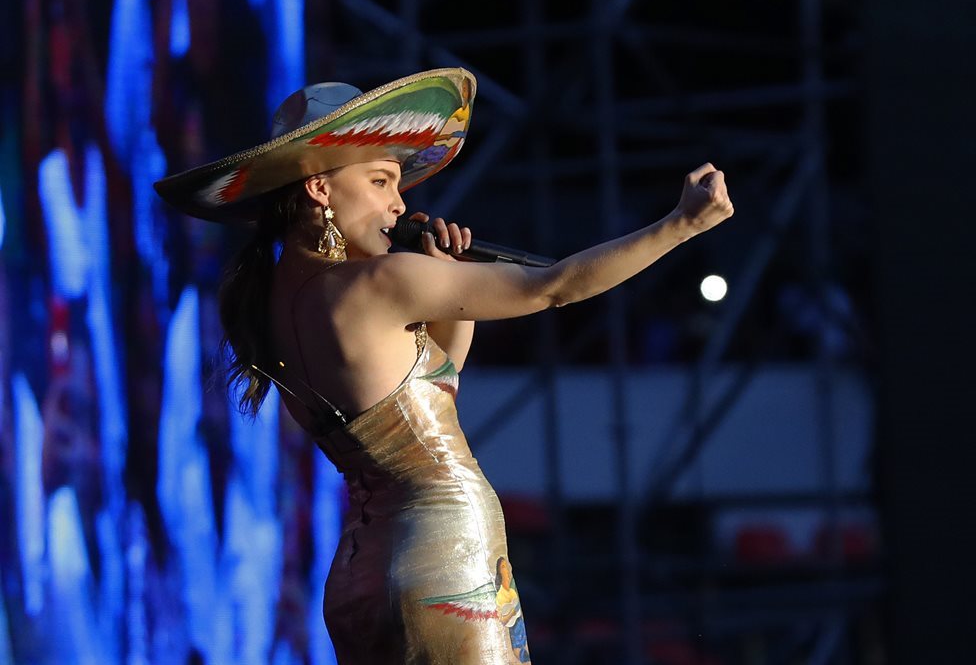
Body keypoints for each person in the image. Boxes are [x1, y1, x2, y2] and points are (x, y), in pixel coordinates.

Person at [155, 68, 733, 665]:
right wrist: (681, 225)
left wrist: (451, 294)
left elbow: (427, 395)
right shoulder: (380, 282)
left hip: (361, 576)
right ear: (319, 189)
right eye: (380, 181)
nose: (399, 203)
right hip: (444, 557)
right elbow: (552, 288)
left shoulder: (265, 310)